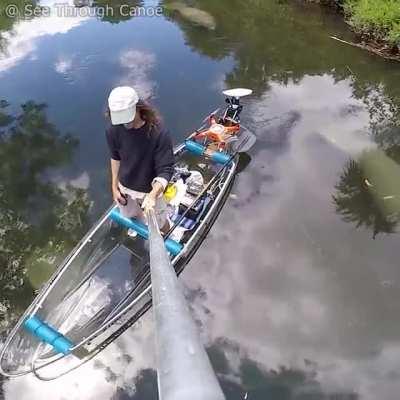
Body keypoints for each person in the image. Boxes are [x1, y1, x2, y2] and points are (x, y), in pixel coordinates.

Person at [105, 86, 174, 234]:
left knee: (160, 223)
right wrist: (114, 187)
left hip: (150, 191)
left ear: (138, 109)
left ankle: (169, 235)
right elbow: (115, 157)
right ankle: (139, 223)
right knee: (130, 215)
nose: (124, 123)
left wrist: (153, 195)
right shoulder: (113, 129)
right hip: (125, 188)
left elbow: (166, 170)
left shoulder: (159, 133)